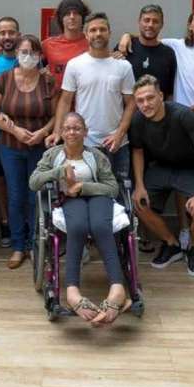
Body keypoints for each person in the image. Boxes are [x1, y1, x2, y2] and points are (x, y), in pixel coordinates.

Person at [117, 6, 194, 254]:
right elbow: (145, 34)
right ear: (189, 24)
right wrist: (126, 37)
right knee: (145, 190)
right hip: (160, 126)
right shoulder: (177, 46)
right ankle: (177, 235)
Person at [30, 112, 131, 326]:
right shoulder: (53, 155)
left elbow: (112, 188)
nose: (72, 132)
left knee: (100, 227)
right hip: (69, 199)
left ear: (85, 132)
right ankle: (72, 290)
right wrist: (59, 172)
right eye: (67, 128)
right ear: (61, 132)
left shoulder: (96, 156)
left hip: (98, 197)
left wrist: (83, 187)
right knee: (76, 227)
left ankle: (117, 288)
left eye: (77, 128)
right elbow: (34, 182)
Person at [130, 75, 194, 276]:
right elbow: (137, 151)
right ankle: (171, 244)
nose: (145, 104)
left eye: (150, 98)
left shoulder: (182, 114)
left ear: (160, 96)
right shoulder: (137, 120)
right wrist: (140, 185)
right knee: (138, 203)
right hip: (161, 168)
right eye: (140, 100)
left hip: (191, 169)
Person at [0, 34, 57, 269]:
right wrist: (15, 130)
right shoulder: (4, 80)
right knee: (16, 197)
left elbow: (58, 114)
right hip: (11, 147)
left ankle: (37, 245)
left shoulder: (48, 82)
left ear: (40, 56)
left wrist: (44, 132)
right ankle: (18, 246)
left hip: (40, 149)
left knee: (36, 197)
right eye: (24, 52)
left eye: (33, 52)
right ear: (16, 54)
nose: (29, 57)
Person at [48, 12, 135, 181]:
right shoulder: (75, 65)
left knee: (119, 200)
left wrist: (119, 134)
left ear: (109, 33)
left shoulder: (123, 66)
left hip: (116, 144)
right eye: (93, 30)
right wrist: (57, 131)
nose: (98, 34)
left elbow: (131, 104)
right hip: (83, 143)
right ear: (86, 35)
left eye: (102, 29)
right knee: (83, 193)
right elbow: (65, 101)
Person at [0, 17, 22, 248]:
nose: (7, 37)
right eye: (3, 33)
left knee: (21, 182)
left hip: (24, 134)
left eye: (11, 32)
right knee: (1, 181)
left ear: (18, 34)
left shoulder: (29, 59)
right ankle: (5, 223)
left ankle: (25, 225)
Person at [42, 0, 90, 86]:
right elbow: (28, 61)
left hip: (85, 98)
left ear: (82, 18)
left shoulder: (92, 44)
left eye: (76, 13)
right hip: (57, 98)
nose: (72, 17)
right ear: (61, 19)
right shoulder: (47, 45)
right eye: (67, 14)